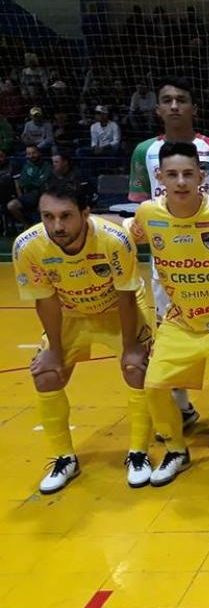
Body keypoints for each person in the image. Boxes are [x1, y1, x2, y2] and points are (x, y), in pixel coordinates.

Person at [12, 179, 154, 492]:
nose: (57, 226)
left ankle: (139, 452)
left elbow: (126, 296)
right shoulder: (28, 246)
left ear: (85, 214)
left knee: (136, 368)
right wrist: (54, 351)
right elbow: (46, 301)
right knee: (46, 374)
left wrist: (131, 346)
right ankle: (64, 458)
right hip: (70, 314)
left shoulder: (113, 239)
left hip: (116, 310)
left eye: (65, 216)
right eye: (48, 217)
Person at [129, 141, 209, 486]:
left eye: (188, 174)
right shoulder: (148, 214)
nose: (181, 181)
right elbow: (121, 235)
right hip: (180, 322)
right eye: (173, 174)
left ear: (202, 176)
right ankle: (176, 451)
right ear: (159, 177)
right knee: (154, 386)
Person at [128, 76, 209, 437]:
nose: (174, 106)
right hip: (168, 265)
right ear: (157, 109)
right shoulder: (144, 152)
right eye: (167, 100)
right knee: (171, 336)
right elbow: (139, 210)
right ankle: (182, 408)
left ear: (193, 108)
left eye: (181, 99)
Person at [8, 145, 52, 225]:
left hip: (43, 194)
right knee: (11, 206)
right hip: (29, 194)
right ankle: (27, 225)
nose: (31, 156)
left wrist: (31, 181)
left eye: (34, 153)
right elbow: (22, 183)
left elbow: (42, 182)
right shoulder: (26, 166)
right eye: (29, 154)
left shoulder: (47, 165)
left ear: (39, 153)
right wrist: (34, 181)